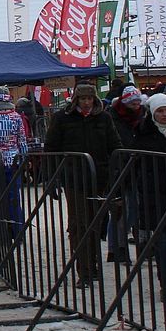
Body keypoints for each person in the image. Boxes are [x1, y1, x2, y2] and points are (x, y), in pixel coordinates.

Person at [44, 83, 122, 286]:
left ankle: (93, 266)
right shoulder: (62, 118)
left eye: (89, 99)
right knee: (79, 225)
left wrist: (119, 170)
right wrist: (51, 178)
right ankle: (84, 271)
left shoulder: (103, 118)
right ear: (76, 100)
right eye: (83, 99)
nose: (86, 103)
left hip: (99, 178)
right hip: (74, 177)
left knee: (96, 224)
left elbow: (114, 145)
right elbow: (51, 148)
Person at [131, 93, 166, 301]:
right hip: (155, 194)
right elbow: (134, 162)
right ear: (153, 113)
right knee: (163, 242)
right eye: (160, 111)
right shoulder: (143, 133)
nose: (164, 115)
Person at [0, 86, 29, 236]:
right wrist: (24, 159)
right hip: (14, 161)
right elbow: (22, 140)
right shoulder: (16, 117)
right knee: (14, 197)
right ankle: (17, 230)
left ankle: (0, 230)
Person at [105, 85, 144, 263]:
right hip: (119, 168)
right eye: (133, 102)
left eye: (138, 102)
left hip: (137, 168)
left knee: (134, 209)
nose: (136, 105)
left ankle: (122, 247)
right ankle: (117, 249)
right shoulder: (113, 118)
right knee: (121, 211)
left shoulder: (141, 116)